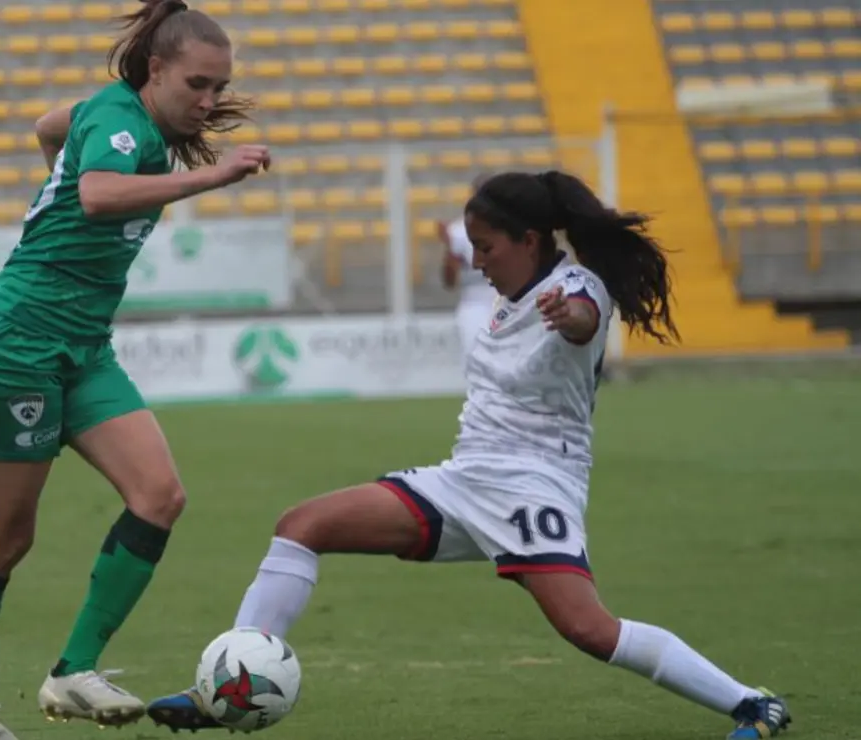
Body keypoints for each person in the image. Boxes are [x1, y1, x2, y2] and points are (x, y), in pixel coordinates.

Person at [147, 171, 791, 740]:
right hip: (465, 479)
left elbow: (585, 319)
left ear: (530, 240)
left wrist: (570, 316)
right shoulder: (511, 294)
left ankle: (753, 705)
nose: (477, 261)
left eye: (486, 248)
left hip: (533, 486)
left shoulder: (574, 286)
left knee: (590, 631)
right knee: (301, 526)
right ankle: (225, 691)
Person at [0, 2, 271, 738]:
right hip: (12, 346)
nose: (209, 103)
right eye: (197, 85)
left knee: (160, 496)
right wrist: (211, 181)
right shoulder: (121, 124)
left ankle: (72, 672)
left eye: (219, 87)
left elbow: (51, 129)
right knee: (7, 540)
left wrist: (65, 163)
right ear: (154, 71)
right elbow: (98, 194)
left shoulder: (117, 118)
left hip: (82, 348)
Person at [439, 174, 499, 361]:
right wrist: (449, 248)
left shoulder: (512, 228)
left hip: (508, 301)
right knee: (478, 363)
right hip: (474, 304)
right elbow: (449, 282)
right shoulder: (458, 231)